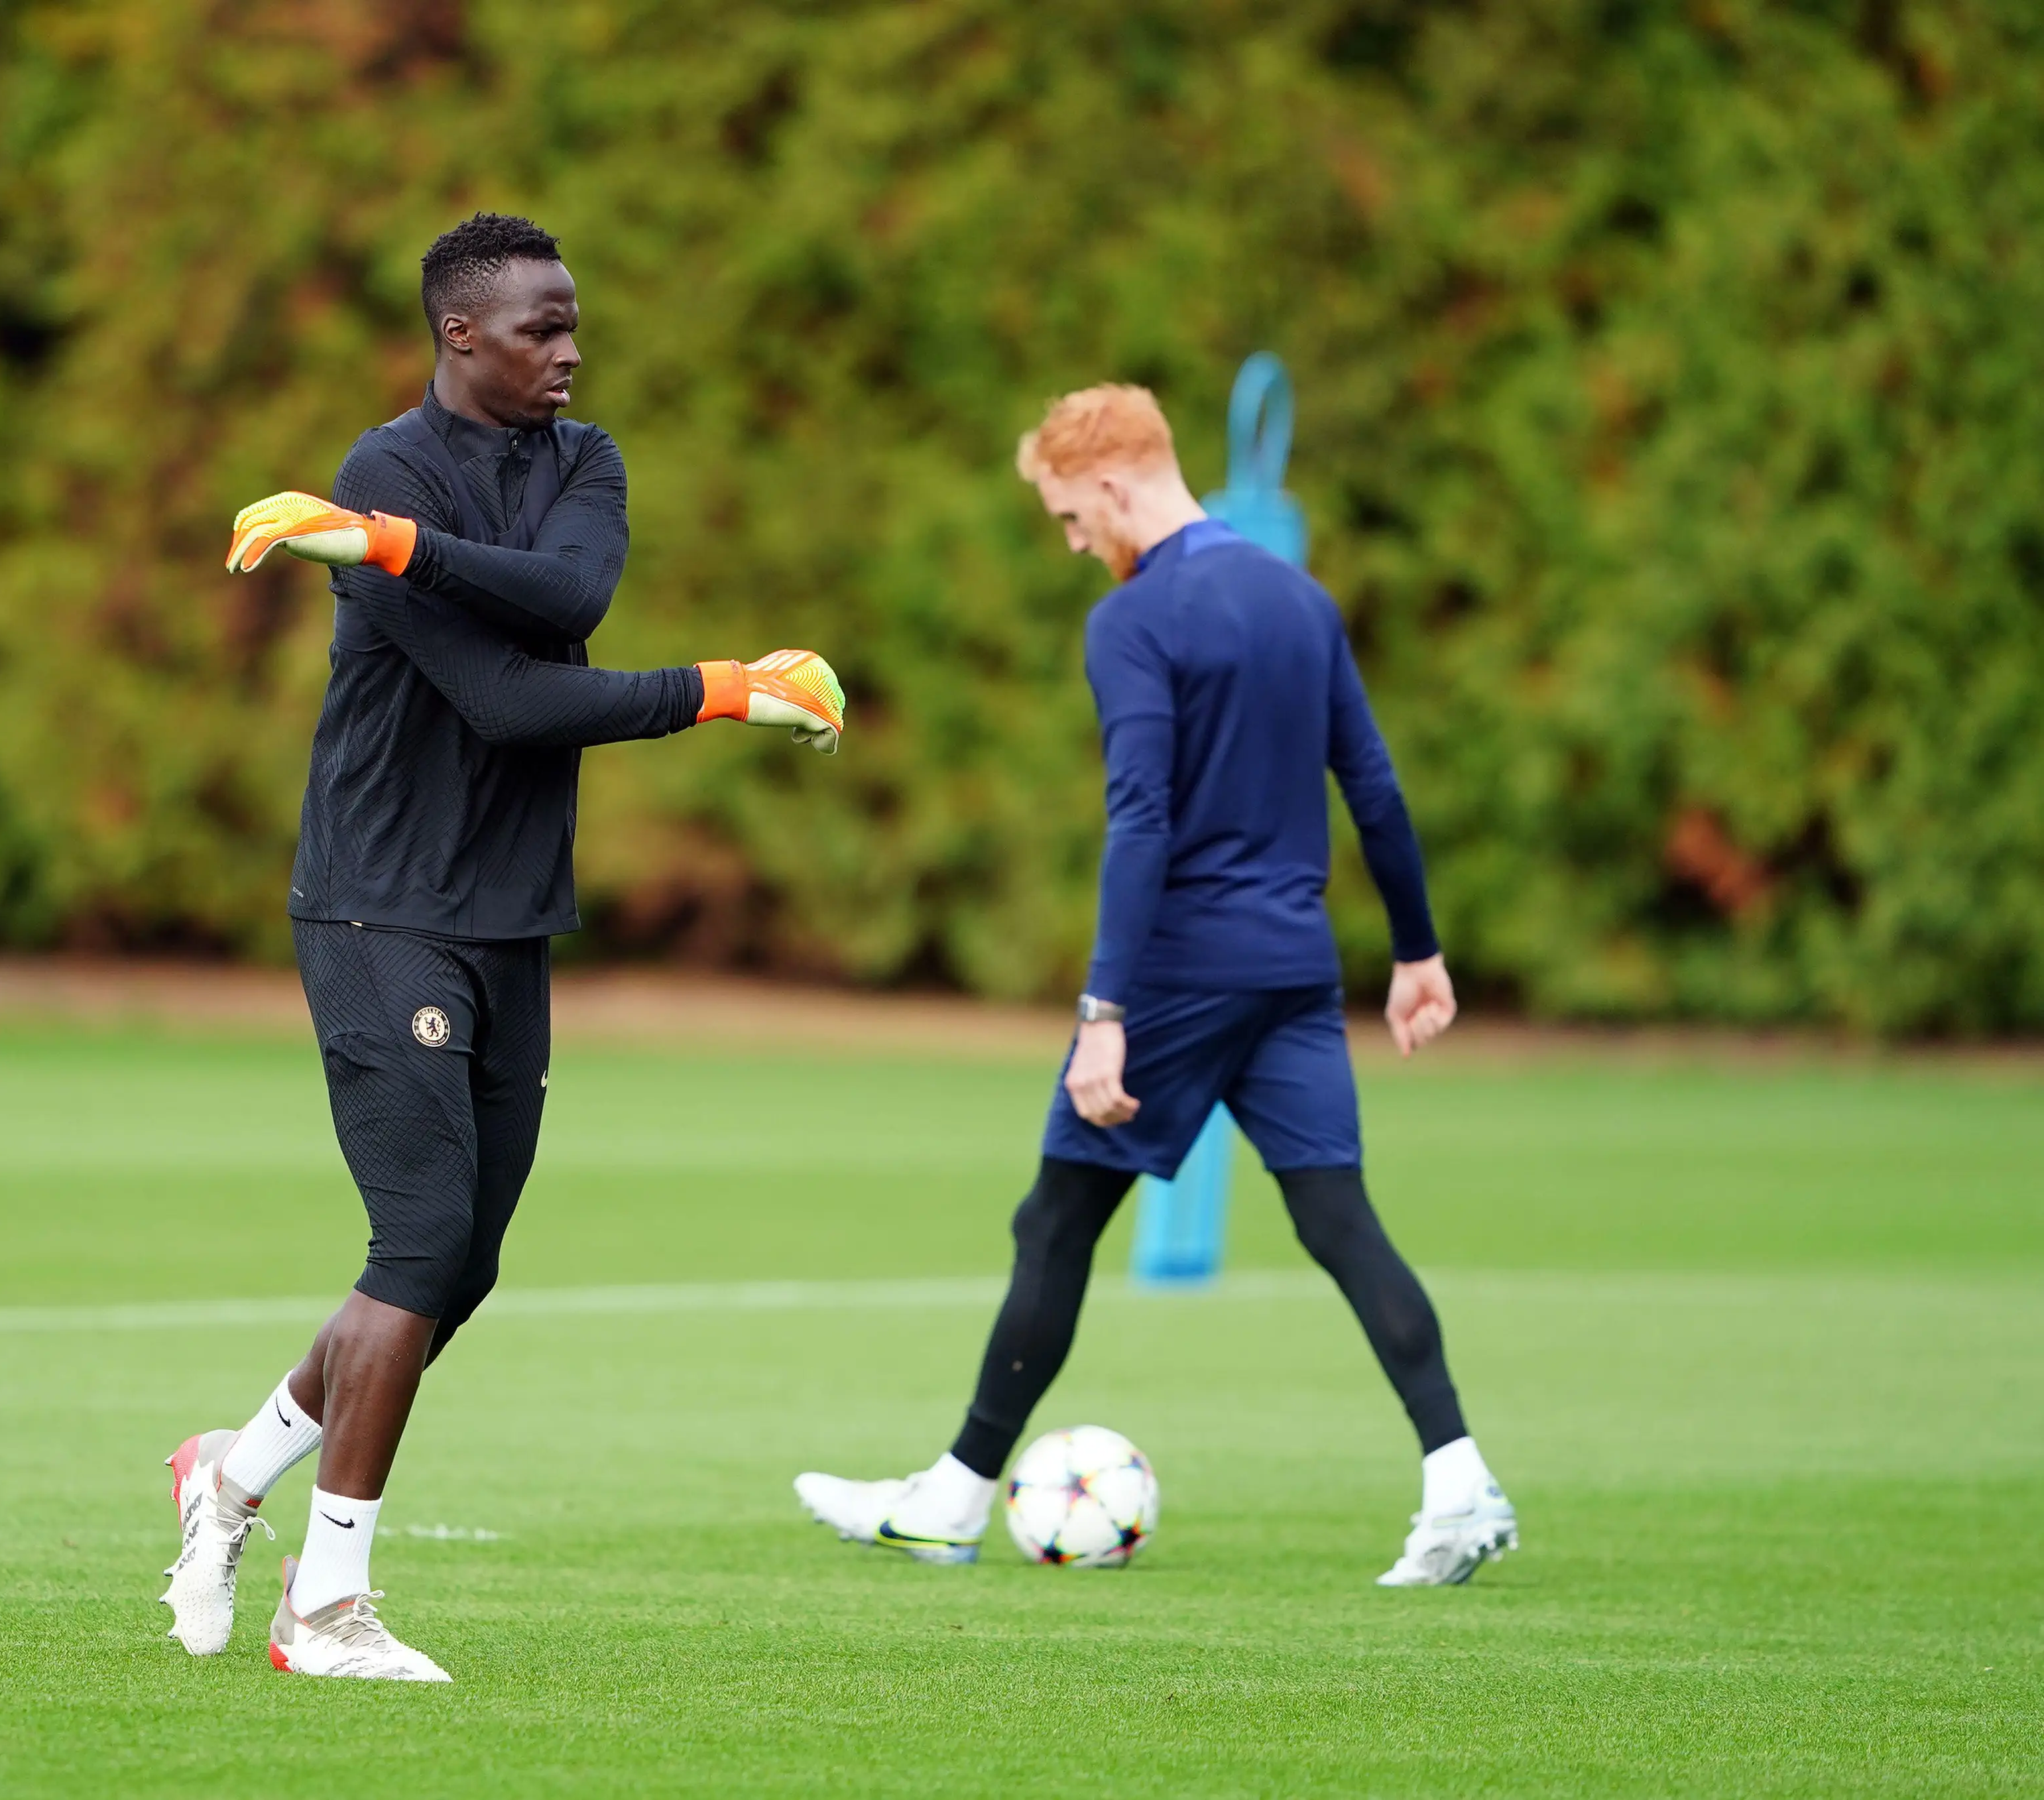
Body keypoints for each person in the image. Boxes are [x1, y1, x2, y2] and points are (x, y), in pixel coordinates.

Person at [162, 212, 846, 1682]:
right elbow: (512, 701)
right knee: (414, 1247)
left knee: (459, 1266)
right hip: (377, 901)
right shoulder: (378, 468)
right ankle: (327, 1608)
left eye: (575, 321)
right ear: (460, 333)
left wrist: (396, 556)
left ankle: (227, 1480)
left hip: (510, 910)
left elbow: (573, 604)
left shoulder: (577, 464)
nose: (571, 350)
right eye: (542, 327)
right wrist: (728, 688)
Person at [792, 383, 1516, 1587]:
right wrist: (1417, 951)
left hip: (1180, 978)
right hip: (1294, 971)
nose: (1075, 541)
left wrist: (1104, 1015)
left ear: (1117, 488)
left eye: (1073, 516)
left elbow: (1143, 818)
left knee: (1056, 1221)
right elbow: (1374, 786)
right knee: (1339, 1222)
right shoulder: (1300, 599)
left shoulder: (1132, 622)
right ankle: (1460, 1483)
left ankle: (955, 1499)